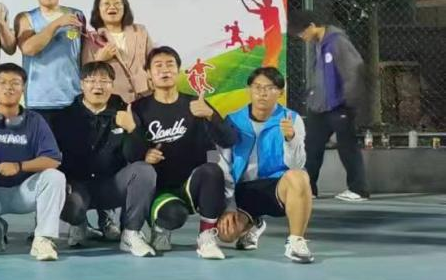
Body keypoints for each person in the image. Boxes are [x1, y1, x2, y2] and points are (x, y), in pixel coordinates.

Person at [122, 46, 236, 259]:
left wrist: (210, 115)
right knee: (174, 215)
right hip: (158, 190)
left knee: (212, 170)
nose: (164, 70)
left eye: (170, 65)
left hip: (190, 185)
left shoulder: (196, 104)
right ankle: (160, 228)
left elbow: (229, 140)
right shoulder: (138, 108)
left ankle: (206, 238)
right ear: (148, 73)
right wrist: (144, 153)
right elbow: (129, 155)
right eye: (158, 66)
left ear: (178, 70)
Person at [49, 61, 158, 257]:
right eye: (91, 80)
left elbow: (136, 156)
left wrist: (132, 129)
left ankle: (131, 233)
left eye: (104, 81)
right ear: (82, 84)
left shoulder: (124, 112)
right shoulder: (63, 117)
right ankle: (79, 223)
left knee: (144, 171)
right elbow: (52, 157)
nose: (97, 86)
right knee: (72, 206)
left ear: (112, 84)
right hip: (78, 187)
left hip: (111, 186)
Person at [0, 63, 67, 261]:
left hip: (25, 191)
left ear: (23, 88)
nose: (8, 88)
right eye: (2, 82)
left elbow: (53, 159)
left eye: (15, 83)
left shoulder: (35, 121)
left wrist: (20, 166)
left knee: (55, 177)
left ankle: (43, 240)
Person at [216, 67, 315, 263]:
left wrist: (291, 139)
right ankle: (254, 224)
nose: (262, 93)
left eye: (270, 88)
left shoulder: (292, 119)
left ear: (280, 92)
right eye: (257, 87)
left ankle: (296, 241)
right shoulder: (233, 120)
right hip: (243, 190)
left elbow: (297, 164)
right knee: (226, 235)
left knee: (299, 177)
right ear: (249, 90)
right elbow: (223, 165)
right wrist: (228, 206)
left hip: (276, 187)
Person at [288, 9, 370, 202]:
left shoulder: (337, 42)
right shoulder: (318, 44)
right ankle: (309, 188)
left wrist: (349, 102)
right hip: (320, 107)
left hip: (340, 106)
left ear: (312, 26)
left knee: (347, 147)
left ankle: (359, 190)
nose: (302, 37)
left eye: (302, 33)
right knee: (311, 146)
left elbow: (354, 71)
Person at [14, 0, 86, 130]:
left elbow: (83, 53)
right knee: (42, 145)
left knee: (73, 145)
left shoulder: (76, 15)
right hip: (39, 99)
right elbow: (28, 48)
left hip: (73, 96)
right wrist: (57, 24)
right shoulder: (26, 18)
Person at [81, 0, 152, 103]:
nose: (112, 7)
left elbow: (152, 62)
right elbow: (86, 75)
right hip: (113, 101)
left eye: (117, 3)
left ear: (125, 7)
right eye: (106, 4)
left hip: (145, 97)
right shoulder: (91, 39)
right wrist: (99, 60)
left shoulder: (140, 31)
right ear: (98, 10)